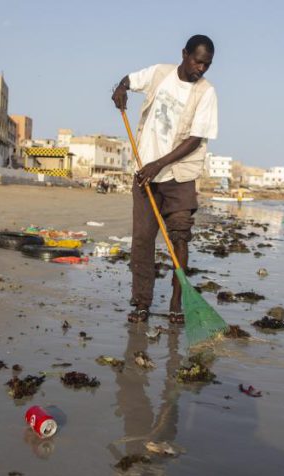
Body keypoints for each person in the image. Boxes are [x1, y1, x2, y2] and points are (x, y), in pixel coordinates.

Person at [111, 34, 218, 324]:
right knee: (143, 240)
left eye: (207, 65)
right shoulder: (160, 73)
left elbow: (195, 139)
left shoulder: (206, 92)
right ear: (184, 54)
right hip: (146, 176)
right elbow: (129, 80)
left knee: (180, 237)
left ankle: (176, 303)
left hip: (179, 176)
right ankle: (142, 303)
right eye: (198, 62)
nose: (201, 69)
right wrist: (121, 88)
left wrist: (158, 164)